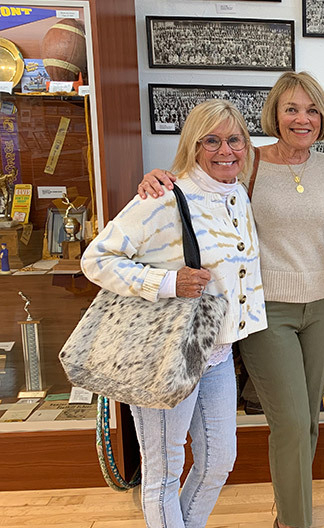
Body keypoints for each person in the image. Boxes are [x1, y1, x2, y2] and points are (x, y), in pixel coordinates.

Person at [138, 72, 324, 528]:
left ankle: (289, 514)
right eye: (291, 109)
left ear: (323, 117)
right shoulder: (247, 161)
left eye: (312, 110)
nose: (302, 119)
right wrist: (157, 177)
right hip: (265, 309)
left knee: (309, 421)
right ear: (275, 114)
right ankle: (296, 523)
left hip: (323, 304)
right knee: (291, 423)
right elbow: (194, 183)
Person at [82, 100, 268, 527]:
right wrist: (166, 282)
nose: (225, 150)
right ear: (193, 145)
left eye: (234, 139)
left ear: (246, 144)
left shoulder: (237, 193)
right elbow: (96, 259)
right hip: (165, 354)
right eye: (211, 140)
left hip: (216, 353)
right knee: (164, 471)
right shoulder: (163, 197)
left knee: (218, 462)